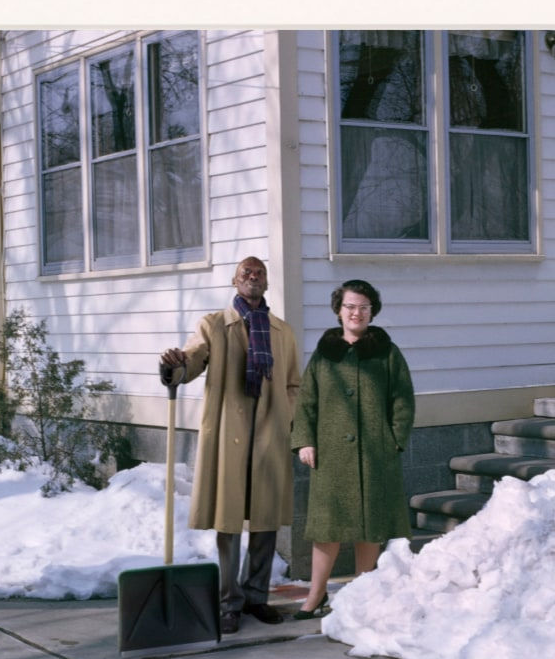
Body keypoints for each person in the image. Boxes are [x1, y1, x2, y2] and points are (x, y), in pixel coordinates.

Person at [159, 257, 301, 634]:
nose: (253, 278)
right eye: (246, 274)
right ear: (234, 281)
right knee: (229, 518)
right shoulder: (214, 326)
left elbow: (293, 383)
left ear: (267, 283)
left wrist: (285, 413)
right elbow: (192, 361)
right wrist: (174, 366)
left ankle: (257, 596)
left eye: (259, 273)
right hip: (229, 431)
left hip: (270, 431)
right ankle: (229, 600)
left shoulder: (281, 331)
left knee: (266, 518)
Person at [291, 279, 415, 619]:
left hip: (376, 454)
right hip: (330, 455)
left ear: (372, 311)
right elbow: (307, 402)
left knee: (370, 525)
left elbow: (402, 399)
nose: (356, 313)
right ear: (338, 311)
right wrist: (304, 440)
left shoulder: (387, 353)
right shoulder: (323, 355)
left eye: (363, 307)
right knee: (326, 528)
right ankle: (315, 596)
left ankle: (363, 591)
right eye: (350, 307)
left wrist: (395, 439)